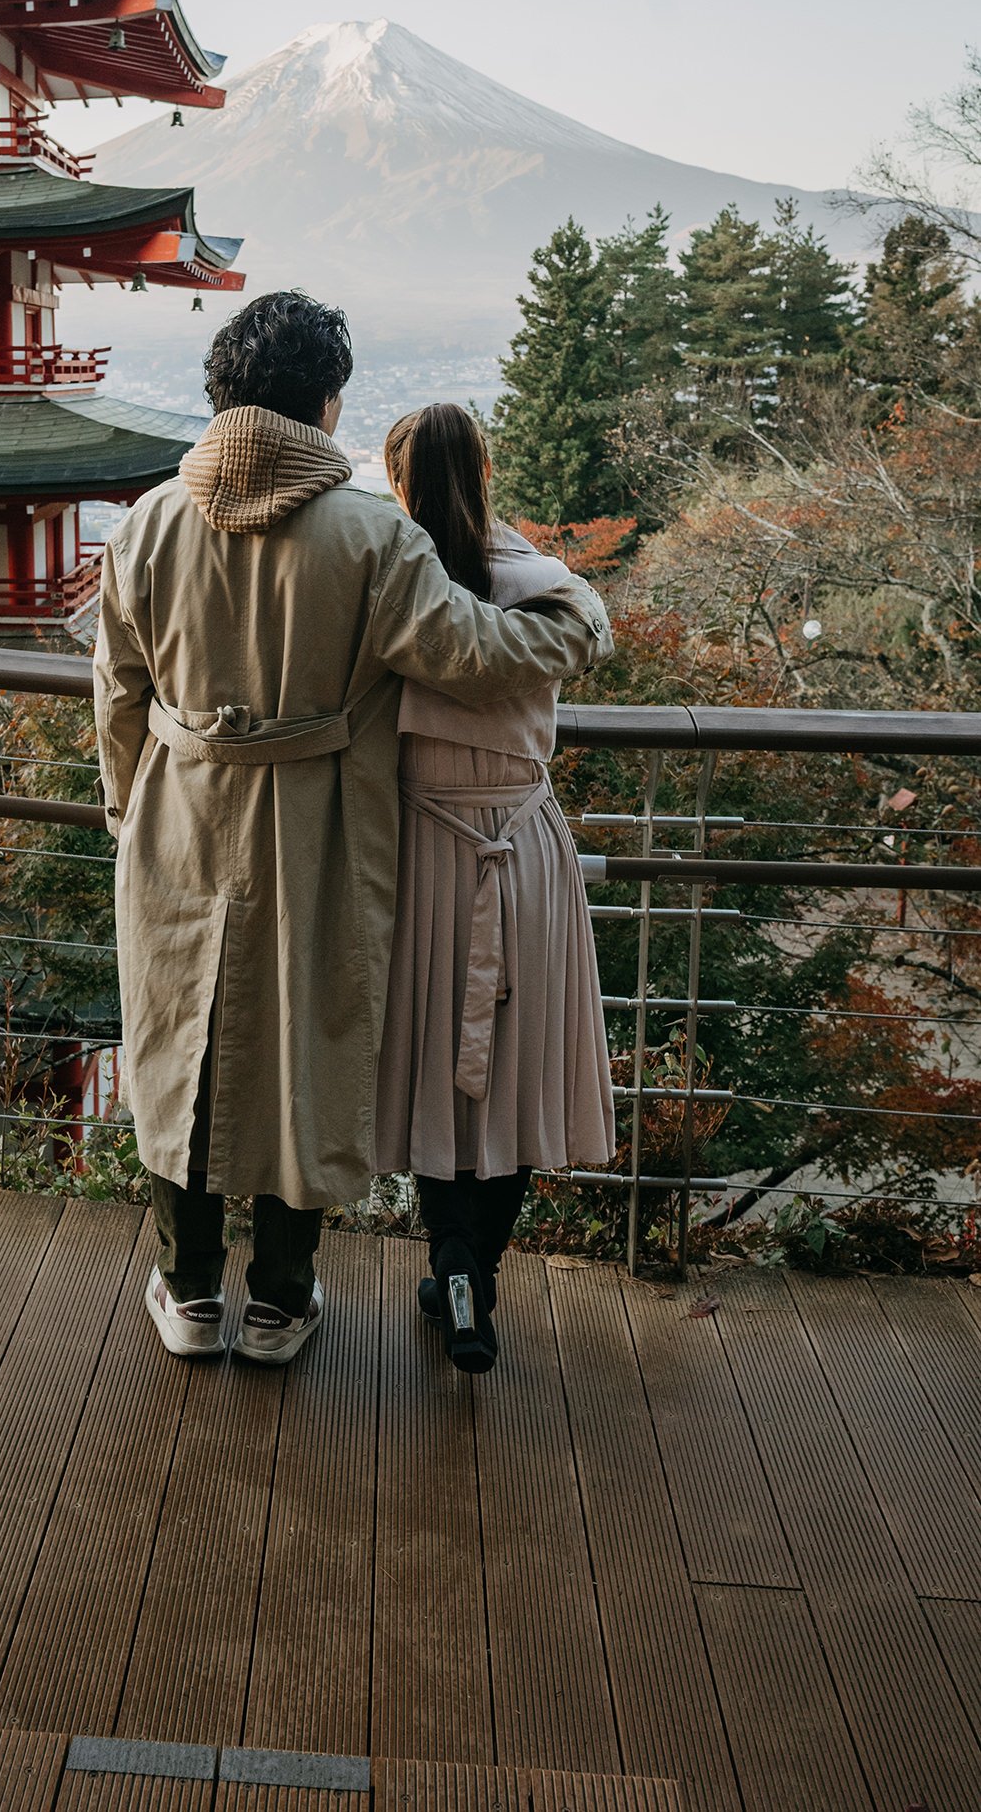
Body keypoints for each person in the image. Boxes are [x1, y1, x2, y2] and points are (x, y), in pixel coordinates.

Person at [93, 292, 612, 1366]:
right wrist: (574, 615)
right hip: (322, 819)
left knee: (173, 1045)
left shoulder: (147, 520)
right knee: (310, 1049)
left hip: (179, 811)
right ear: (325, 404)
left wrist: (126, 811)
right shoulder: (370, 531)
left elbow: (116, 693)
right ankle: (282, 1302)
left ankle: (188, 1295)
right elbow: (474, 654)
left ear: (221, 393)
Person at [375, 404, 617, 1374]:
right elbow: (590, 629)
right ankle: (482, 1268)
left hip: (421, 847)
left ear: (398, 484)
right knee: (512, 1070)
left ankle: (451, 1259)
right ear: (484, 466)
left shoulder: (389, 592)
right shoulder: (551, 592)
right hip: (525, 849)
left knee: (439, 1061)